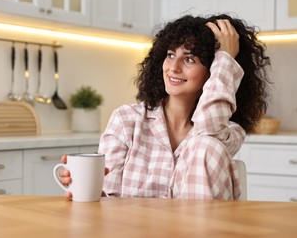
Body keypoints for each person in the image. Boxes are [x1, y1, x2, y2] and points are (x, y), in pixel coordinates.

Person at [61, 14, 271, 200]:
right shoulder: (126, 120)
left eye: (189, 59)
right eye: (170, 55)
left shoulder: (229, 132)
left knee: (205, 145)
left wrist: (225, 60)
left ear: (212, 71)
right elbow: (107, 197)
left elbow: (208, 131)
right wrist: (83, 186)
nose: (174, 67)